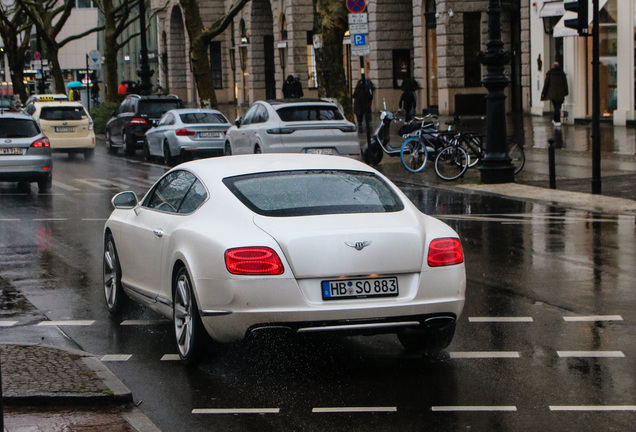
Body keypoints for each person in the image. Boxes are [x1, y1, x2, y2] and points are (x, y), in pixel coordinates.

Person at [541, 61, 568, 127]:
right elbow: (565, 84)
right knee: (557, 107)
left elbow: (546, 84)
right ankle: (556, 120)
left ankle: (557, 121)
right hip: (561, 94)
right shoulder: (562, 74)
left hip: (553, 94)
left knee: (556, 107)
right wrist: (566, 92)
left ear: (553, 66)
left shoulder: (550, 74)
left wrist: (543, 93)